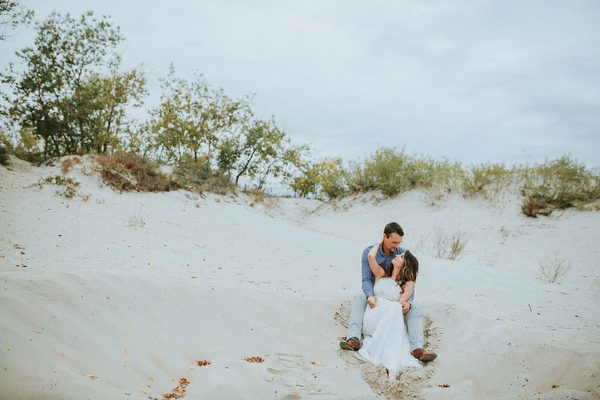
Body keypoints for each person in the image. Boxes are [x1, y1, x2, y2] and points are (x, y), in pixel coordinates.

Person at [340, 222, 437, 363]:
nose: (396, 246)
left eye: (399, 242)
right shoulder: (370, 251)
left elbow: (410, 282)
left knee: (414, 307)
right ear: (384, 236)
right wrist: (370, 295)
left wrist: (408, 302)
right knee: (360, 295)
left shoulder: (401, 254)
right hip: (375, 291)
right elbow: (367, 278)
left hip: (394, 296)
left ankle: (417, 349)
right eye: (393, 242)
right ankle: (353, 339)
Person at [359, 246, 420, 380]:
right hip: (372, 318)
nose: (397, 255)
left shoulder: (407, 285)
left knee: (394, 309)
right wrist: (381, 242)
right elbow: (370, 256)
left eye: (402, 257)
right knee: (394, 308)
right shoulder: (381, 273)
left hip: (388, 321)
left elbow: (399, 306)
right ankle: (391, 368)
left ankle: (391, 369)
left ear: (406, 265)